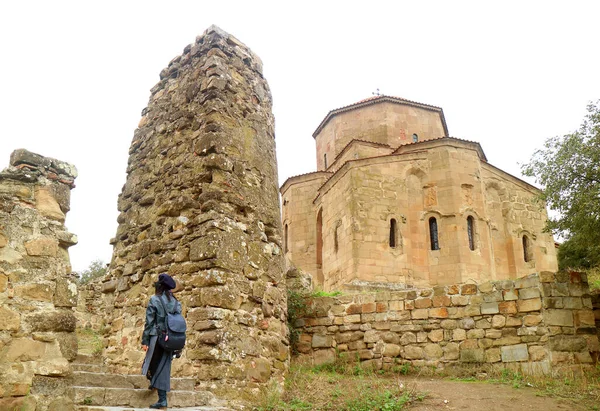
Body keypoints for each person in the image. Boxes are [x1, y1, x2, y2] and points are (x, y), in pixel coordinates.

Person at [141, 273, 181, 409]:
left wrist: (145, 341)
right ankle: (154, 383)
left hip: (156, 337)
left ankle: (162, 400)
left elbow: (149, 322)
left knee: (152, 364)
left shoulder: (155, 299)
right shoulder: (176, 302)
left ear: (159, 286)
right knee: (163, 366)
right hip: (171, 339)